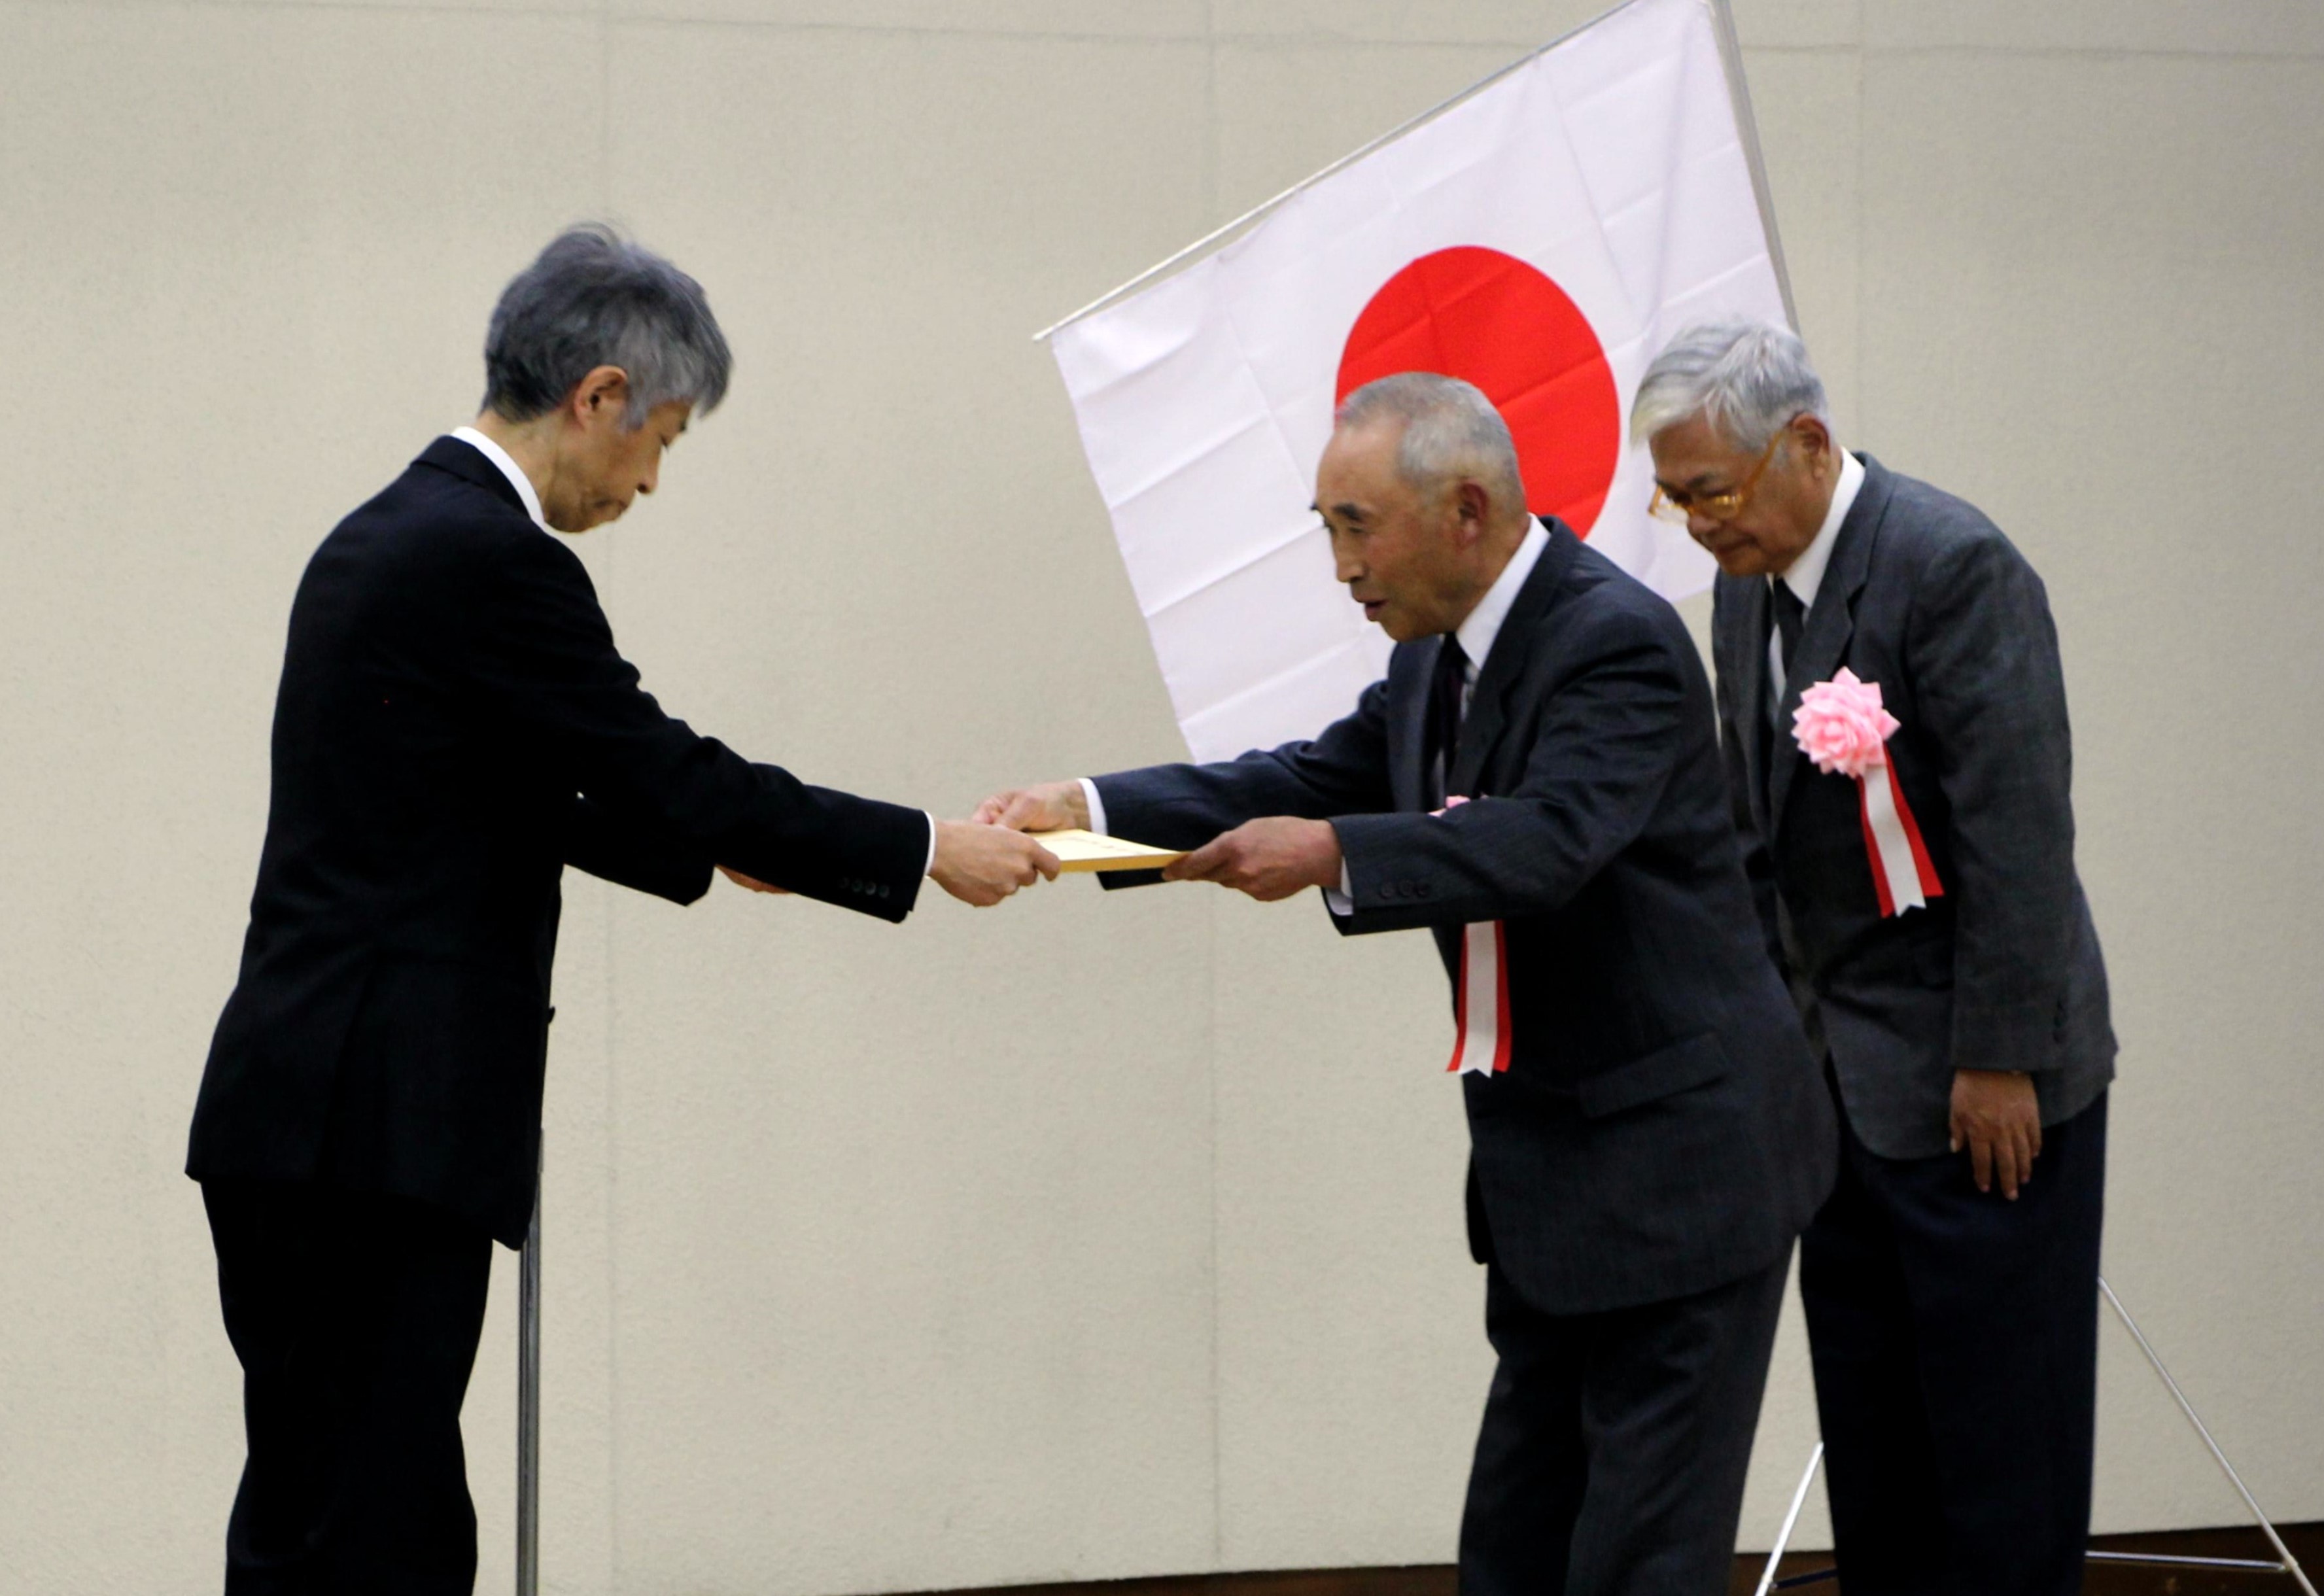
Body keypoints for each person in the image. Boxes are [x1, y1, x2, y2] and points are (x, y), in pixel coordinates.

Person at [186, 224, 1058, 1595]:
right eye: (659, 438)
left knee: (315, 1518)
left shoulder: (383, 533)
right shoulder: (493, 558)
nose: (648, 479)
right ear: (598, 396)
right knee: (380, 1537)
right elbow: (656, 764)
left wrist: (717, 852)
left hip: (294, 1110)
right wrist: (923, 846)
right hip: (378, 1127)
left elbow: (500, 790)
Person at [979, 373, 1832, 1596]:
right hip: (1552, 1178)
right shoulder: (1438, 655)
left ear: (1466, 511)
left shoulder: (1615, 640)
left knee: (1639, 1562)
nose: (1340, 567)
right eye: (1326, 527)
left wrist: (1335, 854)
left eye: (1356, 527)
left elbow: (1546, 841)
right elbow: (1311, 776)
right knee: (1513, 1552)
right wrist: (1088, 808)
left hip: (1683, 1171)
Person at [1633, 319, 2115, 1596]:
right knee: (1876, 1446)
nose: (1697, 525)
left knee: (1998, 1450)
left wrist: (1998, 1059)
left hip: (1979, 1090)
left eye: (1711, 491)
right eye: (1675, 499)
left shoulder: (1948, 564)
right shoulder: (1745, 588)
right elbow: (1753, 840)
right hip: (1831, 1096)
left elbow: (2018, 833)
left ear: (1804, 441)